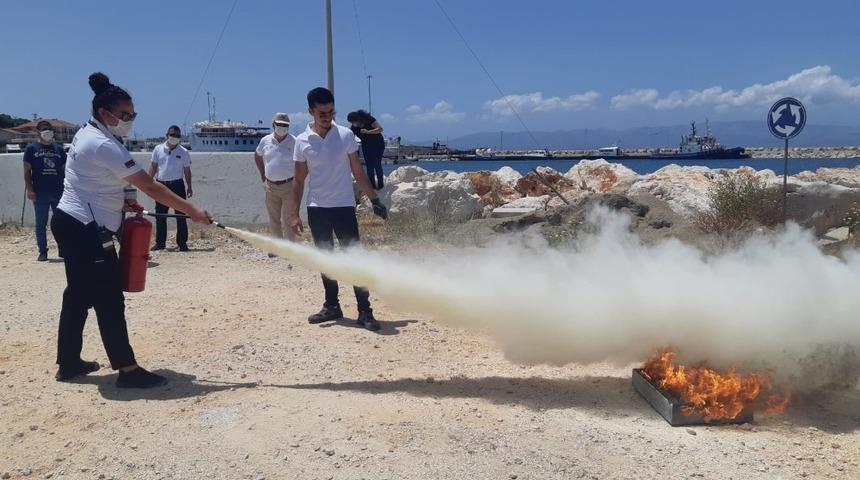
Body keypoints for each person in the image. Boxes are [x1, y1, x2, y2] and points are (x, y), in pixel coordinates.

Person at [51, 72, 212, 388]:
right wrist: (191, 209)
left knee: (78, 294)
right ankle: (127, 370)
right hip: (84, 229)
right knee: (109, 297)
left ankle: (68, 362)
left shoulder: (93, 134)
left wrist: (123, 202)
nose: (130, 120)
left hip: (72, 223)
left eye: (133, 114)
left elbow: (102, 182)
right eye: (125, 115)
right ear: (105, 113)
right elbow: (151, 186)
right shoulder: (102, 144)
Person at [290, 87, 388, 331]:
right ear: (310, 111)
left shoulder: (345, 136)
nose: (328, 117)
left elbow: (358, 171)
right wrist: (293, 214)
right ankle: (332, 306)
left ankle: (365, 311)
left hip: (344, 206)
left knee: (354, 258)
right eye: (322, 113)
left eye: (331, 112)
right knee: (326, 258)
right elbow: (299, 180)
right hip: (317, 208)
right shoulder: (301, 141)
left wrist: (374, 200)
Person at [23, 120, 66, 261]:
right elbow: (27, 171)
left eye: (48, 128)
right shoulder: (31, 149)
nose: (46, 131)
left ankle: (63, 250)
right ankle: (43, 251)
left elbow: (65, 170)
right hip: (40, 192)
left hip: (59, 192)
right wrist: (30, 190)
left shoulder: (59, 149)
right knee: (41, 224)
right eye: (43, 129)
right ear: (38, 132)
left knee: (61, 223)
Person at [148, 125, 193, 251]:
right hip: (161, 185)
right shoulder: (158, 149)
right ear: (167, 134)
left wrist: (189, 186)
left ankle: (182, 243)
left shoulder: (183, 152)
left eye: (177, 135)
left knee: (181, 214)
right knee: (160, 215)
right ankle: (160, 243)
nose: (175, 137)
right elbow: (153, 166)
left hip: (177, 185)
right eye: (172, 135)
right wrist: (148, 183)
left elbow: (187, 171)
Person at [254, 113, 297, 240]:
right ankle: (278, 246)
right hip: (270, 186)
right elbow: (257, 155)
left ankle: (290, 247)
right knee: (273, 218)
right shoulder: (265, 140)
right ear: (273, 124)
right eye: (279, 124)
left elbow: (301, 162)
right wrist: (263, 175)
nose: (282, 127)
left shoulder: (294, 141)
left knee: (288, 218)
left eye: (285, 125)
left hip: (289, 185)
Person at [346, 110, 385, 190]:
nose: (354, 123)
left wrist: (368, 132)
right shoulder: (354, 128)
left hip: (378, 144)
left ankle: (381, 185)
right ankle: (372, 186)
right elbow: (350, 138)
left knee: (377, 165)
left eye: (354, 121)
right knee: (369, 167)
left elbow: (380, 129)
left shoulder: (369, 119)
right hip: (366, 146)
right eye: (352, 122)